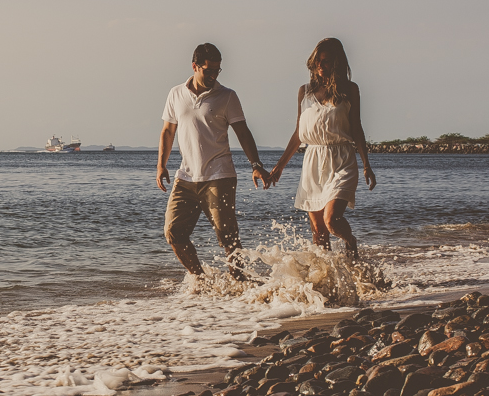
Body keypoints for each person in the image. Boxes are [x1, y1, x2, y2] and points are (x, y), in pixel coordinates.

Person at [157, 43, 268, 279]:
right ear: (195, 66)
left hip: (220, 176)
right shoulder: (176, 94)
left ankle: (240, 282)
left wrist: (256, 165)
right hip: (186, 177)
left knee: (227, 237)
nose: (213, 75)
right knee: (173, 232)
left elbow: (243, 132)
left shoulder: (227, 96)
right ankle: (201, 280)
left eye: (217, 70)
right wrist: (161, 165)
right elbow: (168, 131)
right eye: (208, 70)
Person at [263, 38, 375, 258]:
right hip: (313, 161)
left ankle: (350, 242)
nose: (320, 66)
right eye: (317, 62)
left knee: (331, 220)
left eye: (326, 61)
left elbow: (357, 128)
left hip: (342, 159)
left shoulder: (350, 90)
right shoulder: (304, 92)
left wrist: (366, 164)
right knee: (319, 232)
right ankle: (328, 276)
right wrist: (279, 166)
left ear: (337, 63)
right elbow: (299, 133)